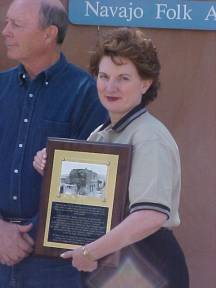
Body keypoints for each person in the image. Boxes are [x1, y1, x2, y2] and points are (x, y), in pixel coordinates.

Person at [33, 28, 189, 287]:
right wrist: (52, 169)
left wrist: (90, 251)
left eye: (123, 78)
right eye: (104, 76)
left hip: (147, 264)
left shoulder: (149, 137)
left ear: (145, 83)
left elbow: (151, 215)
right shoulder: (102, 134)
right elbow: (94, 198)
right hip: (113, 263)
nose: (110, 86)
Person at [0, 0, 106, 287]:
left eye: (16, 25)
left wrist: (26, 236)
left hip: (55, 264)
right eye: (7, 22)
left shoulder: (87, 94)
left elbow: (91, 184)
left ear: (49, 34)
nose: (5, 31)